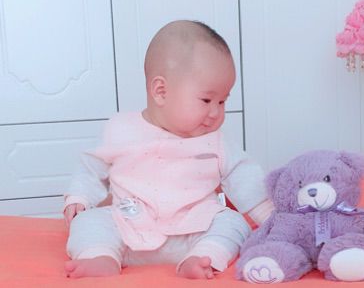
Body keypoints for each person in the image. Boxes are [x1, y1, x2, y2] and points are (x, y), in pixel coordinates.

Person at [63, 20, 273, 279]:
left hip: (193, 231)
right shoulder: (120, 129)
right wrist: (79, 197)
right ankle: (100, 255)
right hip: (129, 229)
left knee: (233, 222)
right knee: (88, 221)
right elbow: (90, 167)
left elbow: (245, 178)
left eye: (222, 101)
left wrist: (272, 219)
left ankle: (203, 257)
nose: (216, 112)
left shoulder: (216, 141)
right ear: (161, 91)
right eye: (207, 99)